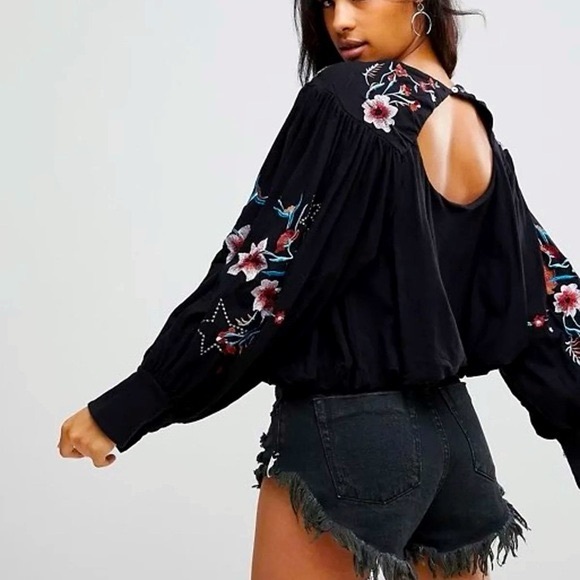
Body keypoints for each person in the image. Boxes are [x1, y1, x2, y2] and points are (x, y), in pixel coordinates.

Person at [57, 1, 580, 579]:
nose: (340, 22)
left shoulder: (352, 99)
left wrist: (136, 401)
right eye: (327, 3)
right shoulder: (480, 135)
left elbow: (263, 275)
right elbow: (549, 303)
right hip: (460, 449)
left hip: (350, 438)